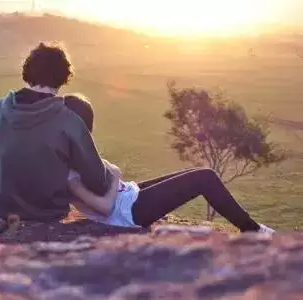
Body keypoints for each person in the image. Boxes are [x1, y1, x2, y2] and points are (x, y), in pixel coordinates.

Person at [64, 94, 276, 234]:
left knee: (194, 173)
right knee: (205, 177)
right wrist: (116, 175)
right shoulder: (70, 173)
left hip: (130, 195)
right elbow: (106, 207)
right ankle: (254, 232)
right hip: (129, 213)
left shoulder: (75, 153)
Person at [0, 42, 112, 221]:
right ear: (64, 76)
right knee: (71, 152)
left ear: (28, 71)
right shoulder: (69, 119)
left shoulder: (1, 108)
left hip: (0, 206)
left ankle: (4, 187)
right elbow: (97, 181)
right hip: (48, 211)